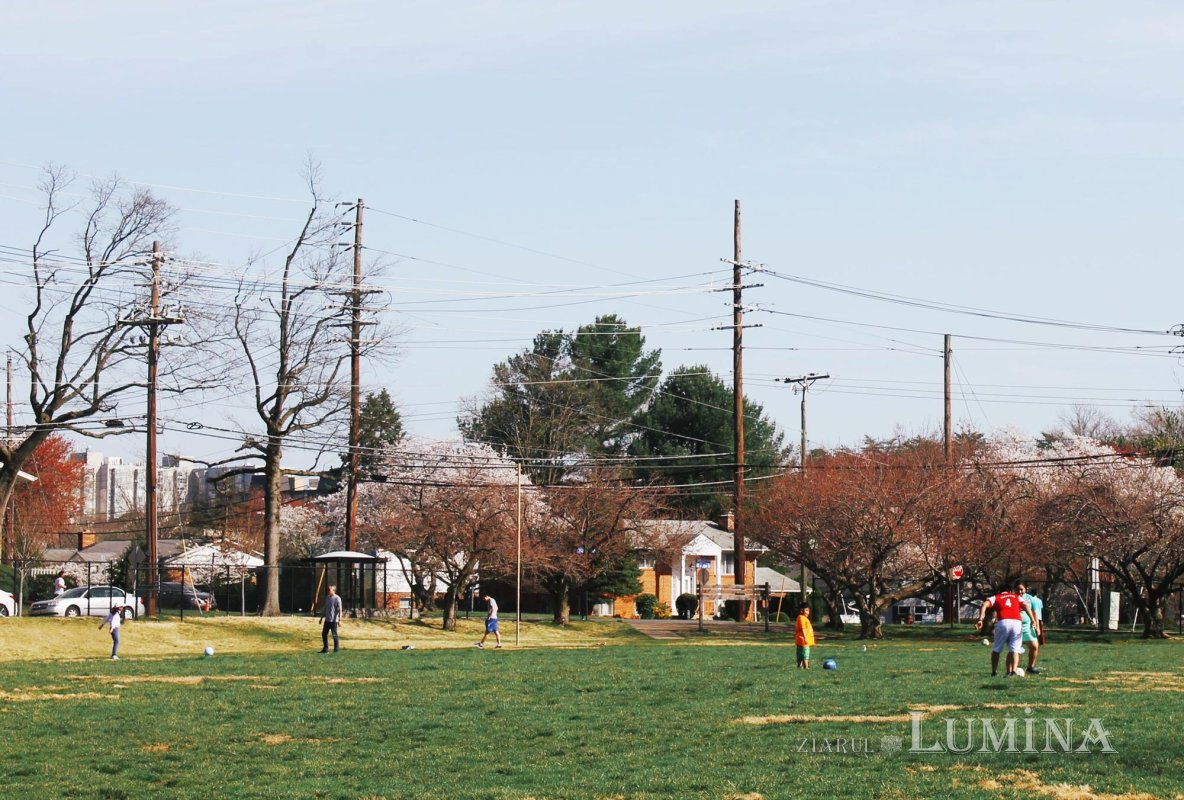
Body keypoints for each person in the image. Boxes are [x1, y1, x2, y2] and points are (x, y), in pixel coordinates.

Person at [976, 584, 1041, 677]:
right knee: (1015, 649)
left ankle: (994, 672)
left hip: (1003, 623)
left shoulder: (996, 597)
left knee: (996, 649)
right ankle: (1013, 671)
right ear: (1010, 591)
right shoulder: (1017, 597)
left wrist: (980, 619)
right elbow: (1026, 606)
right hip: (1017, 623)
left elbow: (984, 605)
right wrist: (1033, 620)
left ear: (1000, 591)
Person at [1016, 581, 1045, 674]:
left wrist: (1037, 626)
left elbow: (1035, 613)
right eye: (1018, 589)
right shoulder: (1013, 598)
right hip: (1016, 627)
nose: (1020, 591)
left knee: (1034, 646)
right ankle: (1014, 668)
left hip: (1028, 627)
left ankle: (1030, 667)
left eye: (1022, 589)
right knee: (1016, 649)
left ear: (1026, 589)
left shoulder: (1030, 599)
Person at [320, 585, 343, 653]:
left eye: (329, 590)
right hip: (327, 620)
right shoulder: (327, 598)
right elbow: (325, 608)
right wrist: (321, 618)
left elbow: (340, 610)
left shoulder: (337, 598)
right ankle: (325, 649)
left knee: (334, 635)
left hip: (334, 620)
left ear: (333, 590)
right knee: (324, 634)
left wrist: (339, 620)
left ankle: (336, 649)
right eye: (328, 590)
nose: (328, 591)